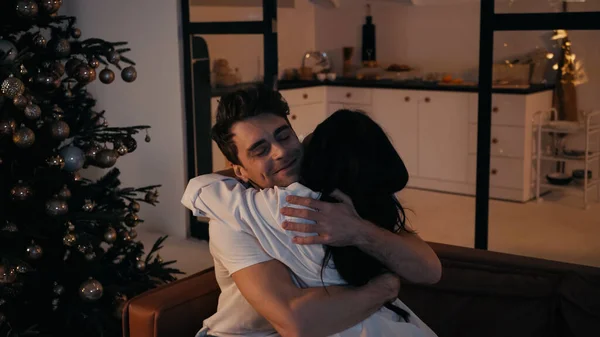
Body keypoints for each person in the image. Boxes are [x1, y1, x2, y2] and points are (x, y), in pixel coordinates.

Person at [182, 85, 441, 337]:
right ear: (239, 169)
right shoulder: (231, 218)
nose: (281, 151)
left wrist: (358, 231)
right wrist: (383, 289)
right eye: (260, 150)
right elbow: (296, 324)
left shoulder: (332, 176)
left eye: (284, 135)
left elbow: (428, 270)